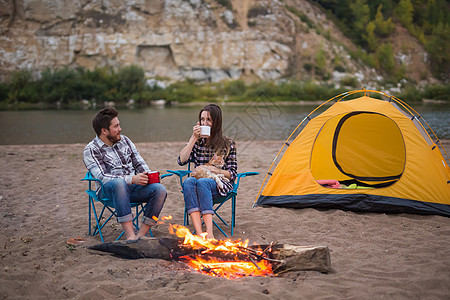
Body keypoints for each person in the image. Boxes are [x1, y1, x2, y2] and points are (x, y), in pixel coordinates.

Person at [83, 108, 167, 240]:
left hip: (132, 189)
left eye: (119, 125)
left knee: (159, 189)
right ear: (104, 131)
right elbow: (102, 177)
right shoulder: (91, 150)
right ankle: (130, 236)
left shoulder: (125, 141)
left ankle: (141, 236)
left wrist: (150, 176)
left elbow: (139, 163)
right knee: (119, 183)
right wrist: (132, 179)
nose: (120, 129)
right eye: (116, 126)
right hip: (108, 191)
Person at [178, 104, 237, 239]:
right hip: (198, 184)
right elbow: (181, 160)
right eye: (202, 120)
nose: (205, 123)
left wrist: (212, 169)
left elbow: (232, 174)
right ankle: (199, 233)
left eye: (208, 120)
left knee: (203, 182)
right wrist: (193, 138)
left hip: (220, 185)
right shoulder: (197, 143)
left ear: (216, 122)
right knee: (188, 182)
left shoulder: (228, 144)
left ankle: (209, 234)